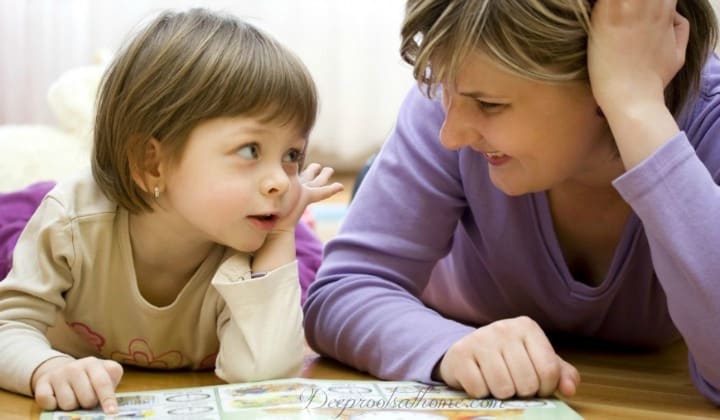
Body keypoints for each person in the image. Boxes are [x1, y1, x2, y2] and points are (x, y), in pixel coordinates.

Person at [304, 0, 720, 405]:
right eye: (445, 89)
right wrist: (450, 346)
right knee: (385, 179)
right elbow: (343, 292)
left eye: (489, 105)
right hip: (432, 280)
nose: (450, 135)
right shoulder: (443, 112)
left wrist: (637, 106)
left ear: (603, 78)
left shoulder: (708, 122)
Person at [0, 8, 343, 414]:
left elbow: (262, 374)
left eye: (292, 155)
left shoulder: (254, 242)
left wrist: (282, 235)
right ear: (152, 162)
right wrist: (46, 366)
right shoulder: (72, 223)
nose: (282, 181)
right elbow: (10, 325)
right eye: (250, 150)